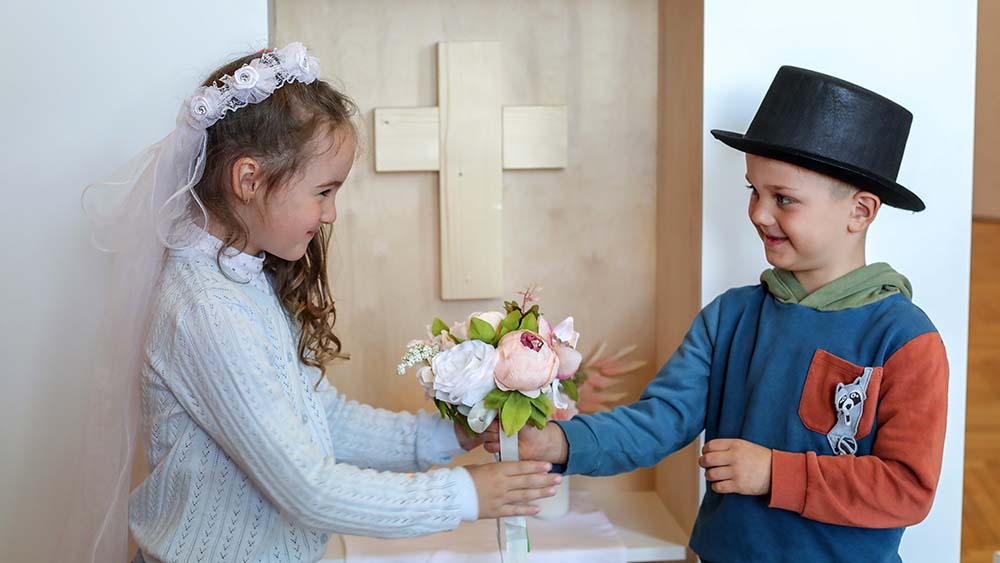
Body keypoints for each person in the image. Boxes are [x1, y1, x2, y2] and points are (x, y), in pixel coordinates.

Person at [83, 43, 559, 563]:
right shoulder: (206, 310)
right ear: (249, 180)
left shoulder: (242, 278)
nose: (330, 214)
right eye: (323, 191)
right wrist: (465, 496)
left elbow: (320, 417)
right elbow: (309, 490)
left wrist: (447, 437)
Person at [497, 66, 949, 563]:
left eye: (784, 199)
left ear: (860, 212)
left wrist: (775, 472)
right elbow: (660, 420)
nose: (758, 212)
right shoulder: (730, 316)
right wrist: (558, 442)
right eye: (753, 191)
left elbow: (906, 488)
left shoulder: (905, 339)